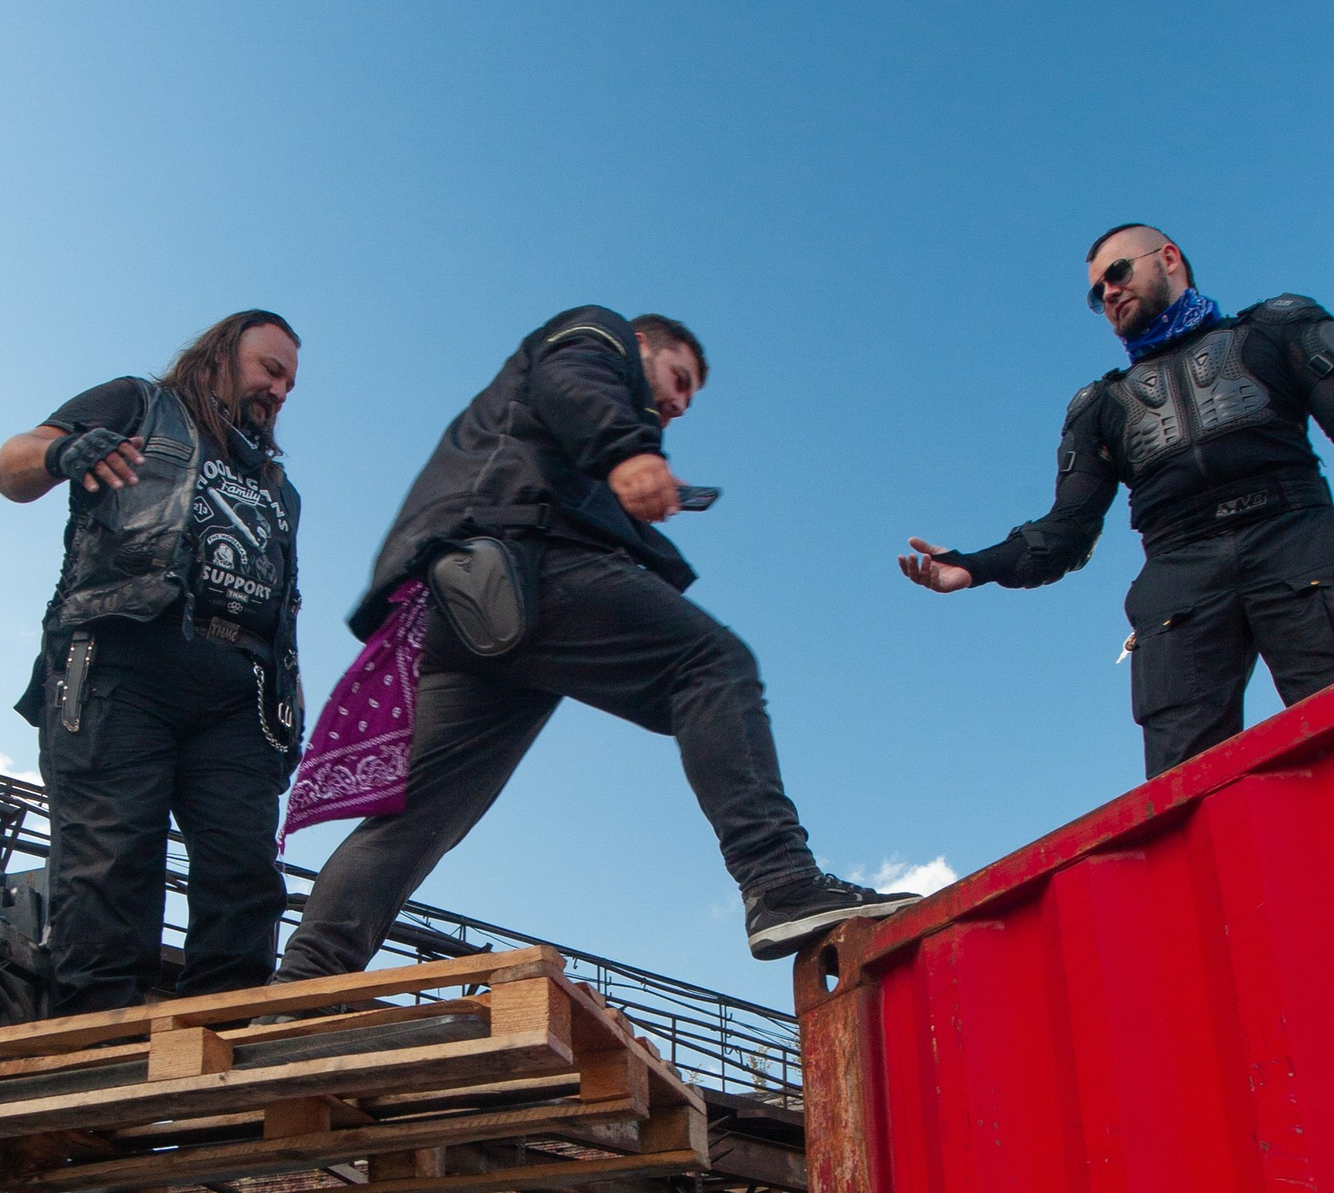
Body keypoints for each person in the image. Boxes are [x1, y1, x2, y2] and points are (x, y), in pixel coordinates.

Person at [278, 305, 916, 971]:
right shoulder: (595, 335)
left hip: (462, 612)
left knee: (417, 817)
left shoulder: (570, 422)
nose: (678, 403)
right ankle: (781, 882)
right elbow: (572, 378)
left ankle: (297, 990)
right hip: (517, 563)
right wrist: (628, 450)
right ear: (640, 345)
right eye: (678, 378)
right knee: (711, 664)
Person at [900, 228, 1334, 777]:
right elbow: (1067, 530)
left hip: (1296, 541)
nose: (1109, 295)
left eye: (1117, 273)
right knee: (1188, 790)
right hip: (1178, 579)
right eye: (1097, 293)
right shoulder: (1099, 405)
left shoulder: (1275, 328)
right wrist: (974, 567)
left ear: (1168, 258)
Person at [0, 311, 306, 1013]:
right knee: (113, 861)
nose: (281, 391)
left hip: (240, 692)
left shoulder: (279, 488)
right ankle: (95, 1046)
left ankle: (226, 1044)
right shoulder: (138, 404)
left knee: (245, 874)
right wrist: (60, 455)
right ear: (220, 357)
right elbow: (7, 466)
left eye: (290, 382)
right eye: (270, 370)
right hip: (122, 659)